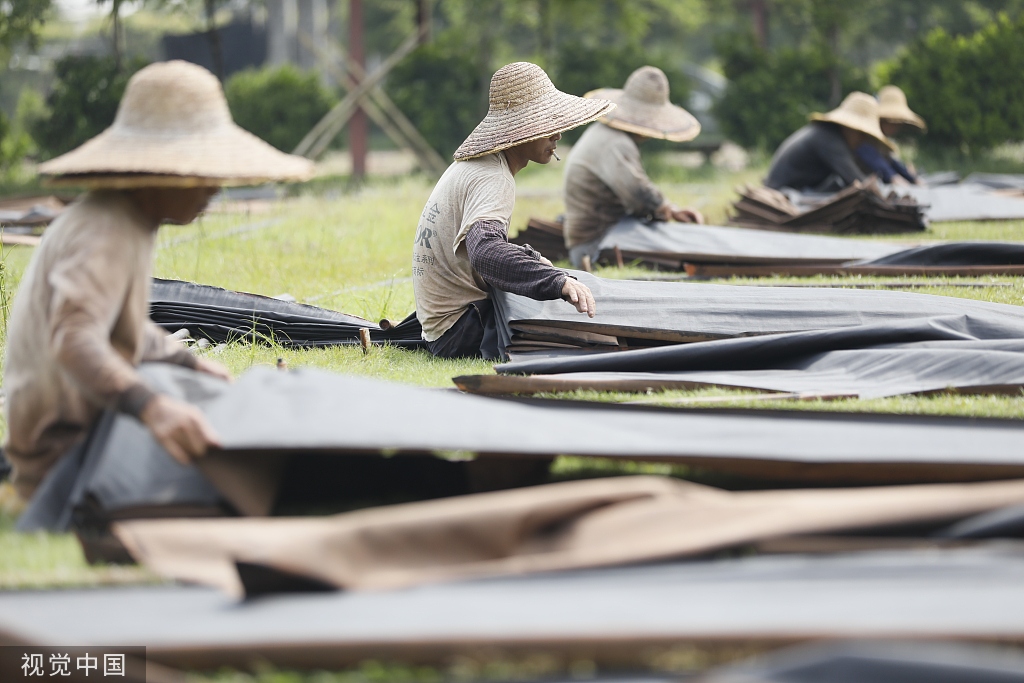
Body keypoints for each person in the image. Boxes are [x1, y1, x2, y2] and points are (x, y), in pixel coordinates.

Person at [3, 61, 312, 501]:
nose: (213, 189)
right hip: (63, 459)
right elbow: (74, 339)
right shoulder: (105, 231)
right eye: (201, 172)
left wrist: (190, 363)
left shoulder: (126, 221)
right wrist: (153, 408)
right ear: (161, 170)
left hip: (84, 435)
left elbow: (123, 331)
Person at [413, 62, 614, 359]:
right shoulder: (495, 178)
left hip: (442, 329)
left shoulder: (478, 167)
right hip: (461, 331)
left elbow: (480, 247)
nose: (557, 134)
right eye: (548, 123)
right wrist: (556, 282)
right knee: (590, 328)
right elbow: (485, 250)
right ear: (522, 129)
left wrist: (531, 259)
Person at [563, 66, 704, 268]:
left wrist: (671, 210)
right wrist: (666, 209)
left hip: (610, 233)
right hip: (596, 244)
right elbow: (639, 197)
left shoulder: (606, 133)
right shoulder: (616, 143)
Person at [764, 91, 895, 192]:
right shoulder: (828, 140)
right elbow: (856, 181)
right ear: (850, 128)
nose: (862, 141)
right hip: (782, 192)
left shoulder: (827, 134)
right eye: (862, 135)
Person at [855, 85, 926, 185]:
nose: (896, 126)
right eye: (892, 122)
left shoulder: (882, 145)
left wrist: (913, 179)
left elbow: (890, 162)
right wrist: (893, 177)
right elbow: (877, 161)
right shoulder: (863, 141)